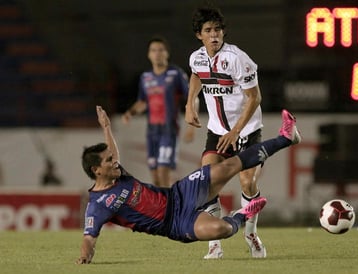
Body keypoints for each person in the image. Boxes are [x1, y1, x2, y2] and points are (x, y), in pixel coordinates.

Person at [76, 106, 300, 264]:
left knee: (227, 167)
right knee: (220, 229)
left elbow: (113, 152)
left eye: (112, 158)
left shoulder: (117, 173)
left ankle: (286, 137)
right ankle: (243, 214)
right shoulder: (98, 204)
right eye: (108, 161)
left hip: (179, 193)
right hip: (175, 224)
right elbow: (89, 238)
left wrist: (106, 127)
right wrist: (85, 257)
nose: (115, 161)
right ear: (97, 171)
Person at [185, 6, 294, 258]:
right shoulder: (197, 57)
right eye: (208, 31)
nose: (214, 35)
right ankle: (215, 243)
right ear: (199, 35)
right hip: (217, 132)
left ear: (223, 32)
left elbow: (254, 97)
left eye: (218, 30)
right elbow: (195, 76)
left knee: (248, 182)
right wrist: (189, 104)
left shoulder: (237, 58)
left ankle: (251, 233)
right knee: (208, 181)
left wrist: (236, 131)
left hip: (246, 131)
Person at [122, 36, 196, 188]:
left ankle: (169, 210)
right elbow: (143, 102)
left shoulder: (175, 74)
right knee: (155, 178)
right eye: (153, 50)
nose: (157, 53)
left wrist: (191, 126)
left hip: (168, 131)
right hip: (152, 132)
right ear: (149, 55)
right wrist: (130, 112)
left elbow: (192, 97)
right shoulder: (145, 77)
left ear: (167, 53)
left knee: (164, 173)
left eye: (161, 50)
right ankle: (165, 207)